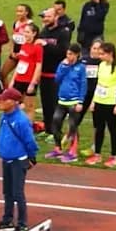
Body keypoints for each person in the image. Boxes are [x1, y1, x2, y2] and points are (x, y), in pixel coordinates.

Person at [0, 87, 38, 231]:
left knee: (18, 193)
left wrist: (31, 158)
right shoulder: (4, 116)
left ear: (13, 102)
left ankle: (22, 224)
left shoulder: (21, 120)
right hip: (7, 159)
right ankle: (7, 220)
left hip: (18, 160)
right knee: (7, 192)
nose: (0, 102)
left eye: (4, 100)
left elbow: (30, 141)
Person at [85, 42, 116, 168]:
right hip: (99, 102)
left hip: (111, 103)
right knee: (99, 128)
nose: (100, 56)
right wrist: (93, 102)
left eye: (102, 54)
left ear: (110, 53)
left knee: (112, 129)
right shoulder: (101, 65)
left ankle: (114, 156)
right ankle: (97, 154)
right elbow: (99, 84)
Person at [45, 43, 87, 163]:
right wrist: (63, 67)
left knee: (73, 126)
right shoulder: (63, 64)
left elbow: (83, 85)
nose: (69, 56)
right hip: (62, 100)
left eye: (71, 54)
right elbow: (57, 79)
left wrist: (81, 102)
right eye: (67, 54)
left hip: (74, 101)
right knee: (56, 122)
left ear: (77, 55)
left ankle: (73, 151)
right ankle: (58, 148)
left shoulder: (81, 68)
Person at [36, 8, 71, 141]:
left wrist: (45, 45)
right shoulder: (44, 31)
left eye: (48, 17)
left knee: (55, 104)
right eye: (44, 17)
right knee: (45, 103)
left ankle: (56, 131)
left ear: (56, 17)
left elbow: (63, 51)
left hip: (56, 74)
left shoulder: (63, 32)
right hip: (43, 73)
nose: (45, 19)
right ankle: (48, 128)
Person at [8, 23, 42, 125]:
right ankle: (15, 125)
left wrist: (33, 83)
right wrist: (13, 79)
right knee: (14, 103)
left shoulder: (37, 48)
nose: (25, 34)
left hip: (29, 80)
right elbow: (20, 63)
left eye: (28, 32)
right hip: (19, 79)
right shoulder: (23, 45)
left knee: (29, 106)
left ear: (34, 33)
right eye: (24, 32)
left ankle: (28, 128)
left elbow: (38, 66)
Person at [0, 4, 33, 88]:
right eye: (17, 11)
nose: (18, 13)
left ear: (26, 12)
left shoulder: (30, 25)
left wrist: (22, 53)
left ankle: (19, 97)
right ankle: (7, 93)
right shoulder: (16, 23)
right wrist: (11, 52)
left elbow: (31, 42)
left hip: (25, 54)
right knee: (3, 73)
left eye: (21, 11)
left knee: (20, 79)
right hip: (15, 53)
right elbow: (13, 38)